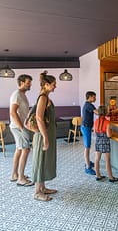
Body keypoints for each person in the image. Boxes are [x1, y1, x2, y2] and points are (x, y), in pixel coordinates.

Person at [32, 71, 57, 201]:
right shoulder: (43, 98)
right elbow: (39, 118)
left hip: (47, 133)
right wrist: (45, 138)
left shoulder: (46, 97)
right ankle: (37, 192)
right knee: (40, 160)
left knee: (45, 160)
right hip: (43, 135)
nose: (55, 86)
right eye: (53, 84)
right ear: (46, 85)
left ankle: (43, 188)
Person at [10, 74, 33, 186]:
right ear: (22, 83)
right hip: (18, 127)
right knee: (25, 149)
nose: (30, 84)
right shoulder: (17, 94)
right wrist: (22, 128)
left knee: (19, 150)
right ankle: (21, 178)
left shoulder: (23, 95)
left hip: (20, 126)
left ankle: (15, 174)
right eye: (28, 82)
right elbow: (13, 112)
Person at [94, 106, 118, 182]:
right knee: (107, 160)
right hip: (105, 141)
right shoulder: (107, 122)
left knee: (97, 159)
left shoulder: (96, 121)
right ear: (105, 113)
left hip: (98, 140)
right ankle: (111, 177)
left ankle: (98, 175)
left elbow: (95, 130)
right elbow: (109, 135)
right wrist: (111, 131)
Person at [81, 91, 98, 175]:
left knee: (88, 146)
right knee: (87, 147)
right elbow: (98, 113)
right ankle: (87, 167)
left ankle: (88, 162)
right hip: (86, 127)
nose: (95, 98)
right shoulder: (89, 105)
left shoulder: (88, 104)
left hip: (86, 127)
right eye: (94, 97)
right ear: (90, 97)